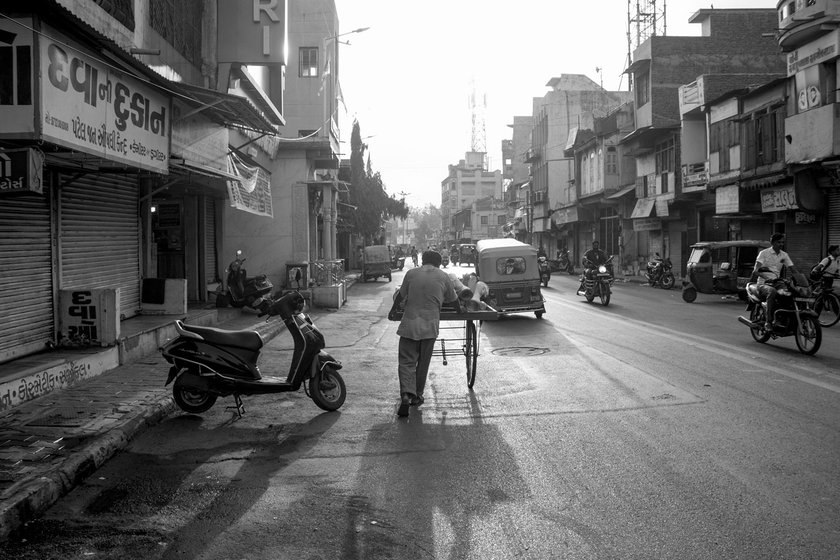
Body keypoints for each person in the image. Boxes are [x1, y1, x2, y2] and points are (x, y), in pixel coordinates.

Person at [395, 250, 458, 417]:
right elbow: (454, 299)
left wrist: (392, 311)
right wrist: (461, 310)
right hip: (429, 326)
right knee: (423, 363)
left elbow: (400, 297)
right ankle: (417, 395)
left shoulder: (411, 273)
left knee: (407, 362)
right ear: (438, 263)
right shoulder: (443, 276)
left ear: (423, 260)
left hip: (410, 324)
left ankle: (406, 395)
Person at [750, 232, 795, 331]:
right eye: (779, 242)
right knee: (772, 291)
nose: (781, 244)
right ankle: (768, 321)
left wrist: (802, 278)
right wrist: (766, 277)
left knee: (790, 292)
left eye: (782, 242)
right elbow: (755, 271)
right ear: (773, 242)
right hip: (763, 283)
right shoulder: (764, 253)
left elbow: (793, 269)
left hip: (777, 282)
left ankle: (783, 317)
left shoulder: (784, 255)